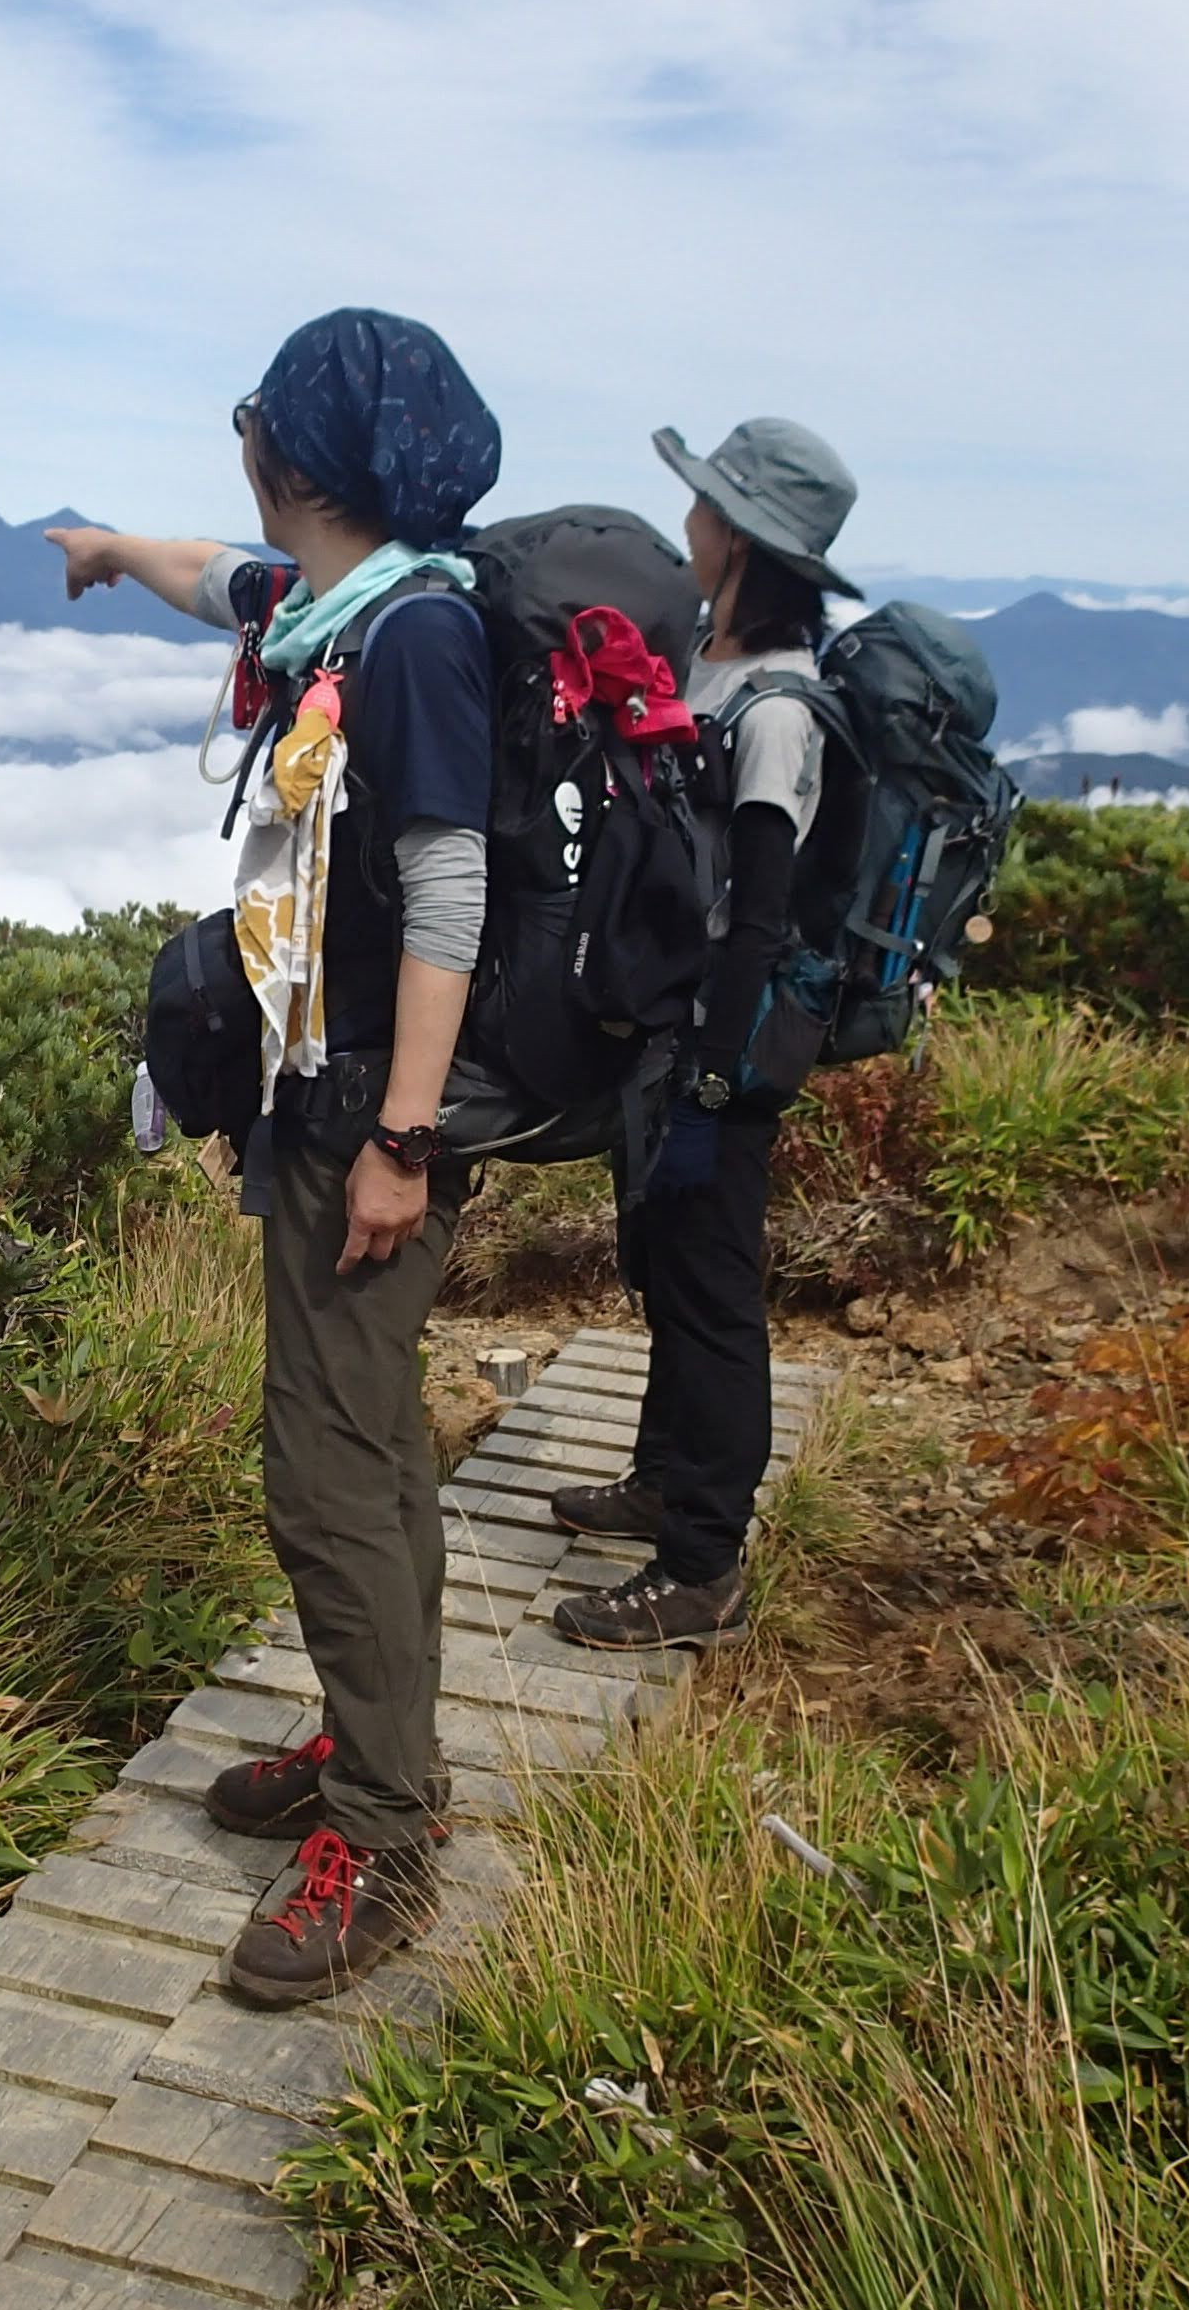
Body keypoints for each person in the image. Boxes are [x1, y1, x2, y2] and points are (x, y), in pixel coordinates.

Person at [47, 309, 500, 2008]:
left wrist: (398, 1141)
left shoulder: (413, 649)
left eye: (252, 419)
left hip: (369, 1121)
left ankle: (382, 1833)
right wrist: (105, 551)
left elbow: (445, 896)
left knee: (323, 1474)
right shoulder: (339, 607)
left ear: (295, 460)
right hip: (335, 1106)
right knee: (368, 1444)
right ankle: (368, 1740)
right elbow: (214, 579)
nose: (238, 443)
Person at [551, 417, 861, 1650]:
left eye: (700, 509)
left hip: (718, 1050)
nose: (684, 524)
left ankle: (700, 1568)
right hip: (671, 1034)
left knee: (715, 1293)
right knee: (666, 1273)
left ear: (735, 537)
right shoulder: (708, 666)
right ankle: (663, 1481)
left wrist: (716, 1087)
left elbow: (760, 917)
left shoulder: (778, 708)